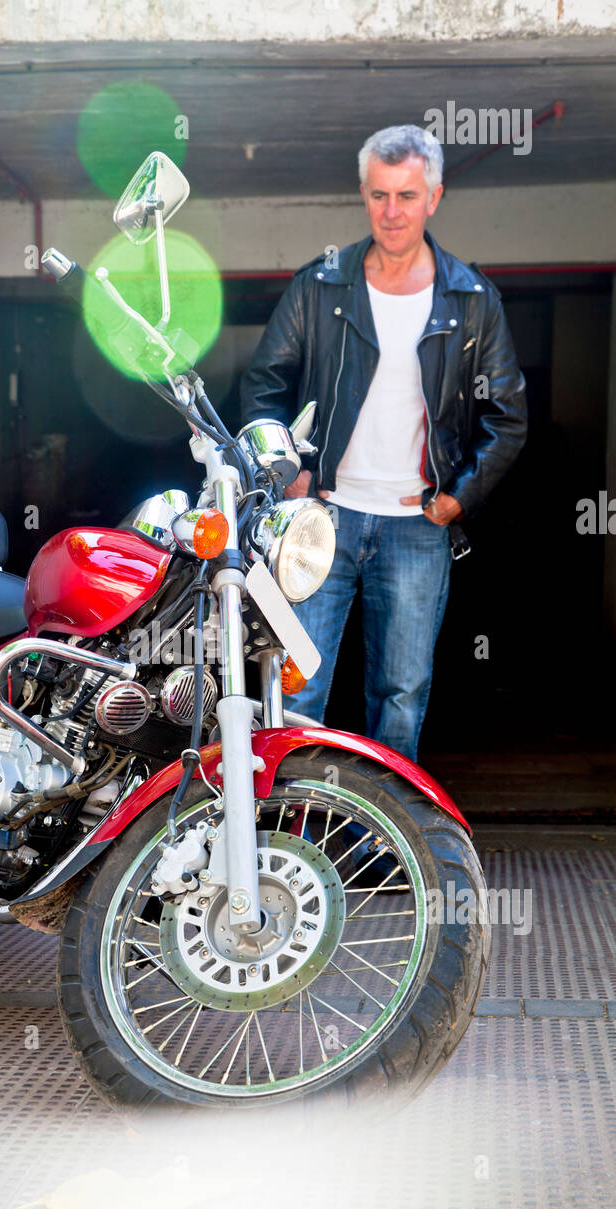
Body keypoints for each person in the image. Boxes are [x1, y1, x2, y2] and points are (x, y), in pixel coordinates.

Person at [240, 124, 528, 763]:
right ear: (364, 195)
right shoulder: (321, 286)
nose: (391, 212)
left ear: (435, 196)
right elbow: (263, 386)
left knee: (401, 694)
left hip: (417, 525)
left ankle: (383, 847)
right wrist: (288, 474)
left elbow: (507, 417)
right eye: (378, 196)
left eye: (406, 195)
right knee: (298, 690)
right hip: (321, 520)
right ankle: (280, 834)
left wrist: (456, 500)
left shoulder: (471, 299)